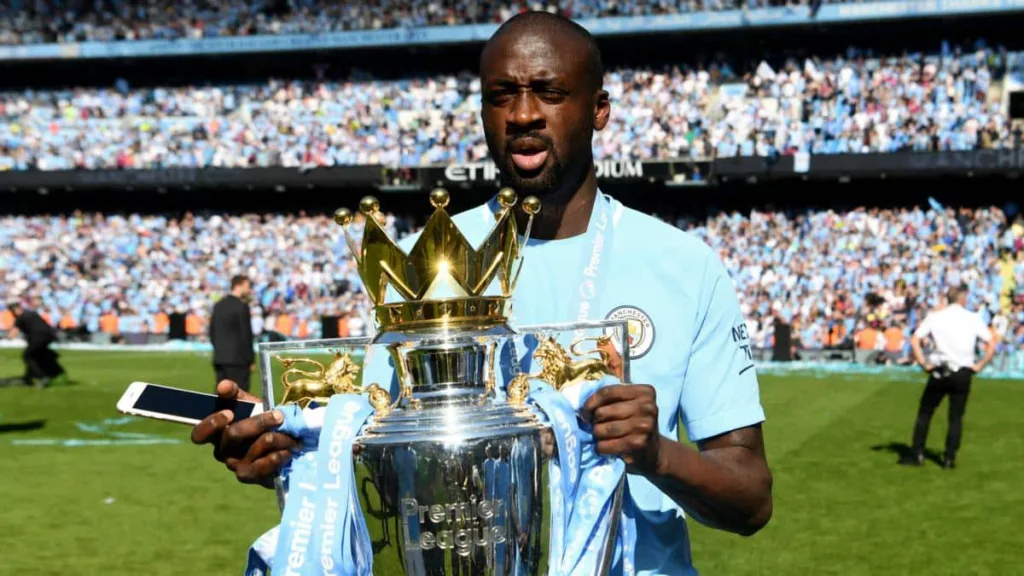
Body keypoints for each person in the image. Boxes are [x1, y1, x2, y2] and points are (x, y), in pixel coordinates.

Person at [191, 12, 772, 575]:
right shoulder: (426, 266)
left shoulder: (684, 266)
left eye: (549, 92)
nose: (523, 114)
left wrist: (658, 456)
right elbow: (377, 453)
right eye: (501, 95)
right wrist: (288, 448)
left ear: (598, 110)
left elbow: (751, 499)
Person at [900, 285, 997, 469]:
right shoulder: (972, 318)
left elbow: (915, 339)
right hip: (963, 371)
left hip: (940, 369)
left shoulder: (936, 317)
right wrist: (980, 365)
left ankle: (917, 453)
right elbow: (991, 344)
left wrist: (923, 363)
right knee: (956, 417)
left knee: (925, 412)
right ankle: (949, 458)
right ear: (963, 299)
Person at [209, 275, 255, 391]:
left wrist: (219, 349)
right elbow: (246, 335)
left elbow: (212, 332)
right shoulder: (241, 306)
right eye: (247, 287)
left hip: (220, 358)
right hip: (238, 360)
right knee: (240, 394)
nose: (249, 290)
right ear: (238, 286)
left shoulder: (218, 306)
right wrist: (250, 359)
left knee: (222, 393)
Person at [7, 300, 65, 388]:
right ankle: (28, 378)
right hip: (50, 335)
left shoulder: (20, 318)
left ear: (14, 310)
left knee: (28, 356)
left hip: (38, 337)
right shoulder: (32, 313)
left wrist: (7, 336)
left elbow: (12, 335)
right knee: (37, 355)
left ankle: (42, 377)